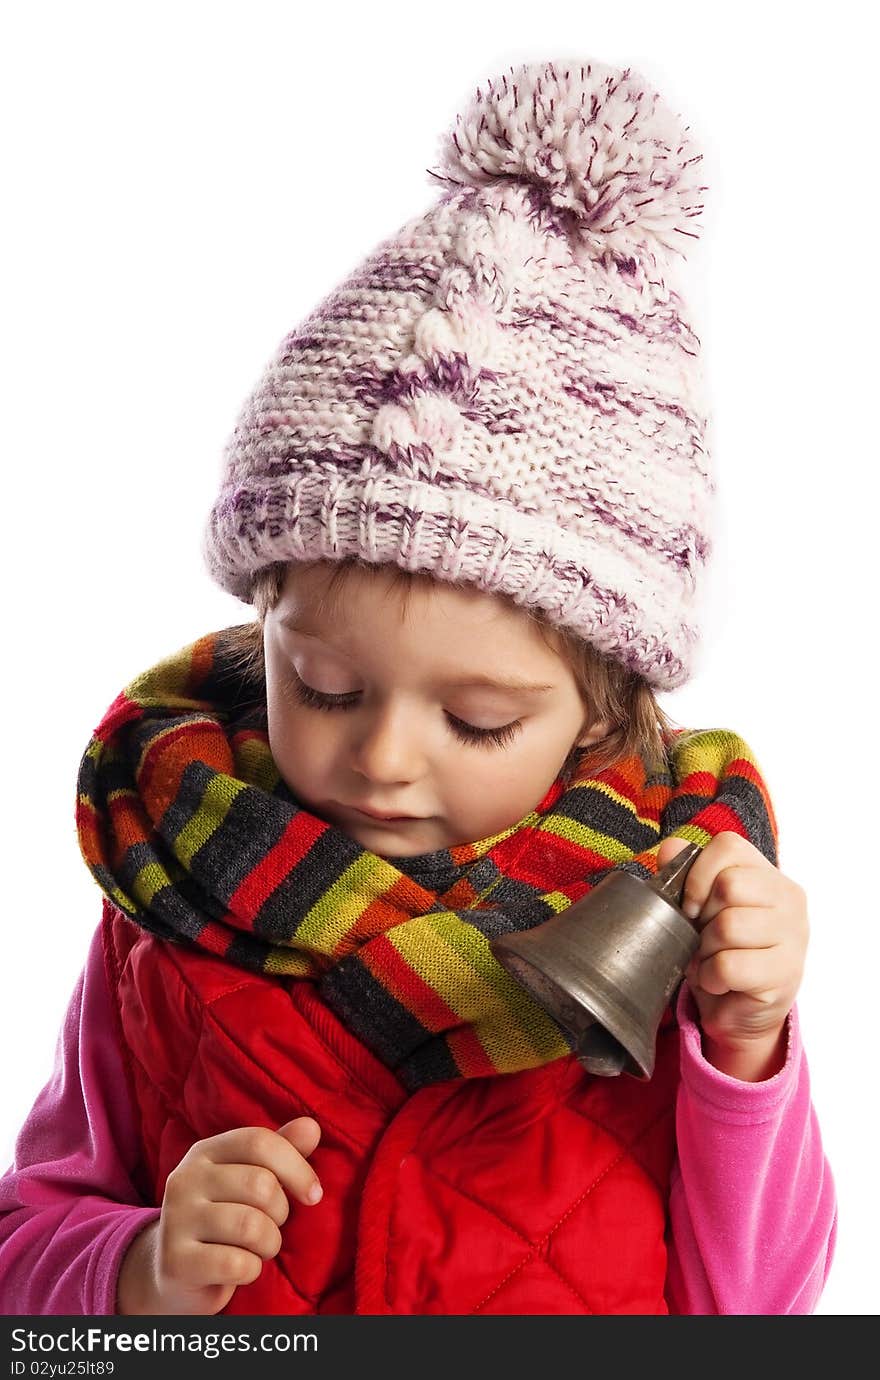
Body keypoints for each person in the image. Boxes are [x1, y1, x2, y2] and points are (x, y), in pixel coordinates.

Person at [0, 56, 836, 1316]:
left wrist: (747, 1047)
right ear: (264, 627)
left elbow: (758, 1305)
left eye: (477, 719)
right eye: (326, 686)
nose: (385, 755)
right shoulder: (165, 898)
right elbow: (25, 1249)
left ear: (604, 705)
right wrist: (130, 1267)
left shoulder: (673, 927)